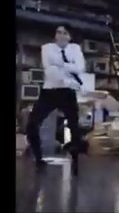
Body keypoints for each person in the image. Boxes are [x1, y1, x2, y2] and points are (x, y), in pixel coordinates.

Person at [26, 23, 85, 176]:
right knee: (32, 124)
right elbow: (50, 70)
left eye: (65, 33)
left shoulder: (75, 49)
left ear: (70, 36)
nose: (61, 35)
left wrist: (60, 64)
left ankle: (75, 160)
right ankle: (39, 158)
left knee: (74, 127)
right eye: (58, 32)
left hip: (68, 93)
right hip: (50, 91)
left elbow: (80, 68)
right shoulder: (47, 48)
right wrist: (68, 72)